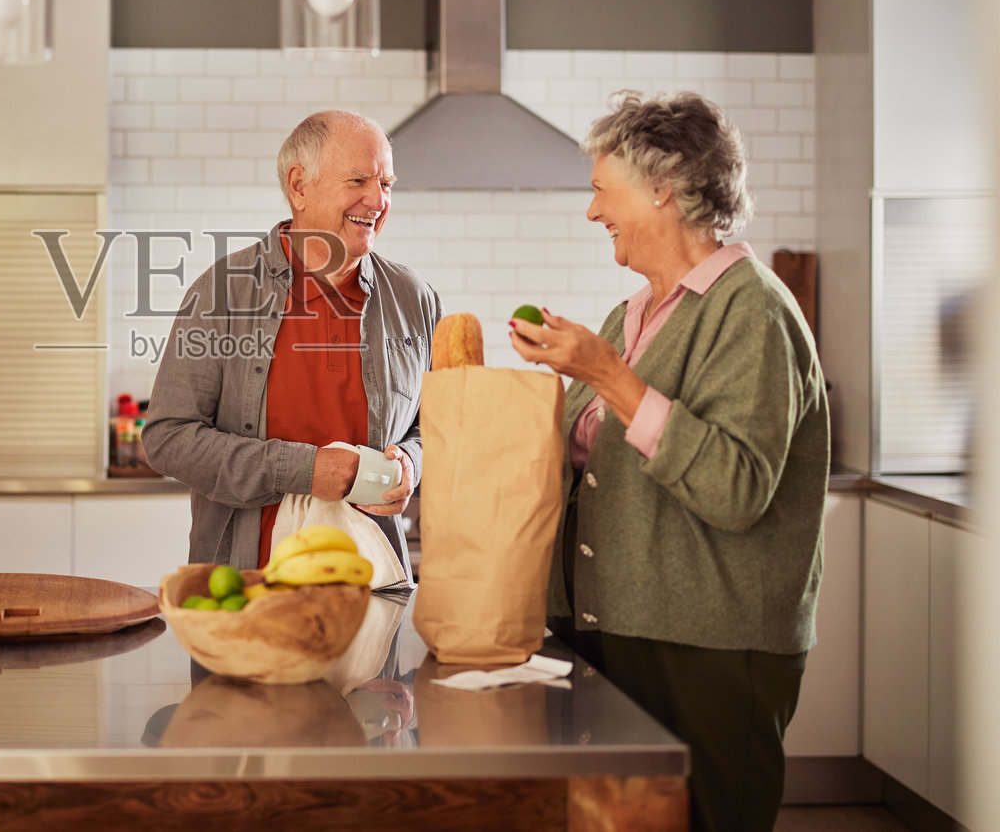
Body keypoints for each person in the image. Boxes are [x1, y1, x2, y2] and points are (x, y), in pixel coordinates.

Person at [509, 91, 828, 832]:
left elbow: (736, 487)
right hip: (609, 629)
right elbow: (592, 465)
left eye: (600, 187)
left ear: (661, 185)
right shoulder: (633, 315)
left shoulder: (755, 311)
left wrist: (609, 377)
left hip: (708, 647)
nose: (593, 212)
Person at [144, 110, 441, 576]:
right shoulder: (223, 292)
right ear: (299, 186)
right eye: (359, 180)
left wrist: (412, 461)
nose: (377, 200)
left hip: (373, 586)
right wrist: (303, 470)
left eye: (387, 184)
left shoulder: (412, 297)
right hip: (245, 589)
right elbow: (168, 438)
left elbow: (439, 427)